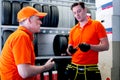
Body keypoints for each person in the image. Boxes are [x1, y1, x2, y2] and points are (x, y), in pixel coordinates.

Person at [0, 6, 55, 80]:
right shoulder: (21, 37)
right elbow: (25, 72)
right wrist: (45, 67)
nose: (41, 22)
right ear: (29, 20)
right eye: (38, 19)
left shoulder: (23, 36)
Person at [65, 2, 109, 80]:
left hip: (90, 70)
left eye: (79, 11)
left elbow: (106, 46)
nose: (77, 15)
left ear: (85, 10)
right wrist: (70, 50)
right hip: (73, 68)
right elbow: (68, 51)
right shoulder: (73, 30)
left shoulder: (97, 25)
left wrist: (90, 47)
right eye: (74, 13)